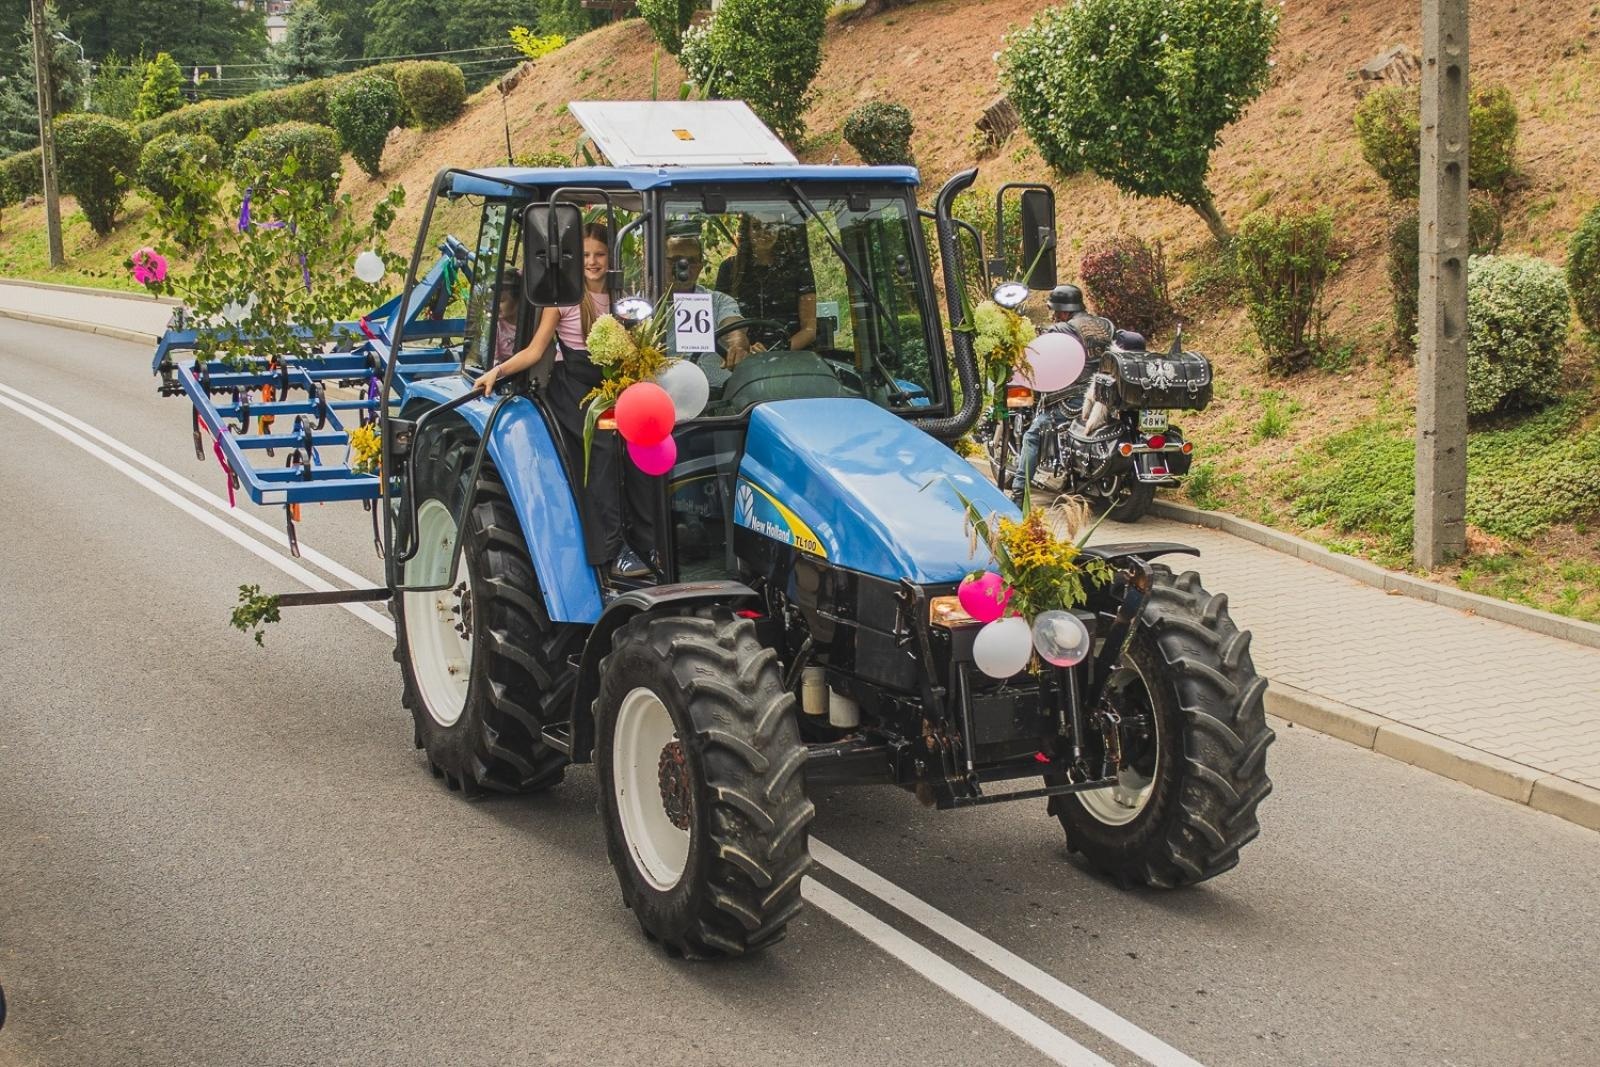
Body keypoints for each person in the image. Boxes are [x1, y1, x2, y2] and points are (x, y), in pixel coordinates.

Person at [476, 223, 655, 580]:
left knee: (643, 446)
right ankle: (612, 550)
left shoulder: (623, 297)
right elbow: (535, 350)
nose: (593, 261)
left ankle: (651, 539)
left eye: (600, 254)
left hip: (613, 385)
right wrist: (498, 371)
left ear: (612, 258)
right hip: (574, 387)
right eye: (585, 255)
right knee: (602, 447)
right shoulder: (566, 299)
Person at [1010, 284, 1113, 501]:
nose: (1054, 316)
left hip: (1075, 399)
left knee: (1032, 436)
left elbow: (1041, 354)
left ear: (1065, 312)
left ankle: (1018, 494)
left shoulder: (1062, 330)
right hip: (1106, 394)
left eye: (1056, 312)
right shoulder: (1104, 325)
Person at [713, 215, 817, 351]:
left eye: (770, 226)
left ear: (779, 229)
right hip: (742, 354)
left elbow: (809, 329)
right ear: (747, 231)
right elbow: (720, 321)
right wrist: (741, 349)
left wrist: (777, 352)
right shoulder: (729, 268)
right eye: (756, 227)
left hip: (791, 354)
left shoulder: (797, 267)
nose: (763, 232)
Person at [664, 228, 751, 389]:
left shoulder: (719, 301)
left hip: (721, 394)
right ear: (660, 262)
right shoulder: (643, 307)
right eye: (676, 260)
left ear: (700, 266)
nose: (684, 267)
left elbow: (734, 329)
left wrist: (737, 345)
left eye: (692, 261)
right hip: (668, 393)